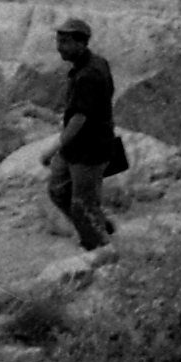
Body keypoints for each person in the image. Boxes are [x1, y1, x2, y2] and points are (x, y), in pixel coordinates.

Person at [45, 18, 125, 255]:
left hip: (90, 150)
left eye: (65, 42)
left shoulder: (90, 73)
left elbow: (79, 119)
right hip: (76, 147)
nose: (59, 47)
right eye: (58, 41)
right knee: (58, 190)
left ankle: (99, 249)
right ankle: (100, 226)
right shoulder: (89, 65)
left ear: (81, 44)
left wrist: (52, 149)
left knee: (82, 204)